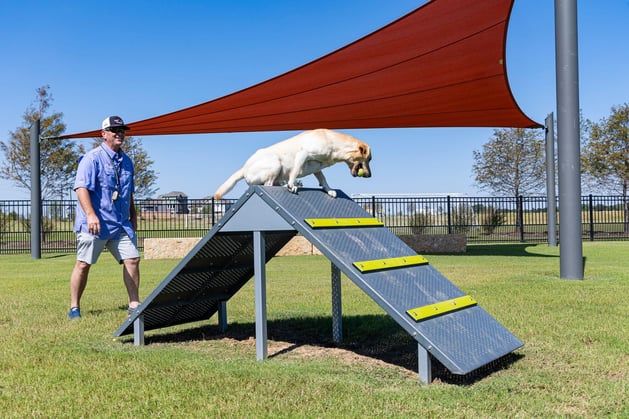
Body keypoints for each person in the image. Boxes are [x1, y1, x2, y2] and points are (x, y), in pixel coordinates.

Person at [68, 116, 140, 319]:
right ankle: (74, 307)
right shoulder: (91, 158)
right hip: (95, 224)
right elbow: (81, 188)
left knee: (133, 259)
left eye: (122, 130)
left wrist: (133, 216)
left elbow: (128, 192)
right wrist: (91, 215)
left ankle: (134, 304)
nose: (119, 133)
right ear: (104, 134)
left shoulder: (127, 162)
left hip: (120, 224)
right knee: (83, 264)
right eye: (114, 130)